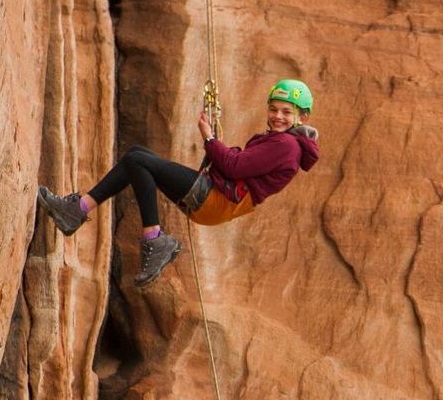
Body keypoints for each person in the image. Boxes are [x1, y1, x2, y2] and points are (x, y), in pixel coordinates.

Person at [37, 79, 321, 285]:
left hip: (216, 199)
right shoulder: (282, 142)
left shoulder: (286, 145)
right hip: (217, 199)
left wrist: (209, 137)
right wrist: (217, 144)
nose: (278, 116)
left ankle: (154, 238)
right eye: (274, 109)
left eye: (286, 111)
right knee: (136, 156)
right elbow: (242, 164)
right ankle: (78, 210)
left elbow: (234, 167)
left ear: (302, 117)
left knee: (138, 161)